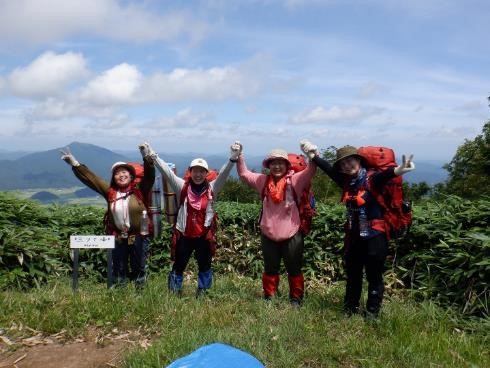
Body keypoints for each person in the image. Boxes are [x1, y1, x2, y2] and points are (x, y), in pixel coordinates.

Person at [300, 140, 415, 318]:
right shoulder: (347, 182)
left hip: (375, 237)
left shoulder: (371, 179)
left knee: (374, 276)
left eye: (350, 161)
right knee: (353, 274)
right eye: (343, 164)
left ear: (359, 160)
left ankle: (372, 313)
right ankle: (350, 309)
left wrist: (400, 170)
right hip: (354, 236)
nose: (347, 166)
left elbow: (386, 175)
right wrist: (313, 156)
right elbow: (329, 170)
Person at [140, 141, 240, 297]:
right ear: (190, 172)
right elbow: (167, 173)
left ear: (206, 173)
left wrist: (233, 158)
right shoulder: (182, 186)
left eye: (202, 171)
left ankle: (203, 293)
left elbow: (224, 174)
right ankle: (174, 292)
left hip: (204, 236)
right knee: (179, 265)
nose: (198, 175)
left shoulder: (212, 188)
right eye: (195, 171)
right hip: (184, 236)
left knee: (205, 265)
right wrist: (153, 155)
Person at [60, 145, 155, 289]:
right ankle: (119, 293)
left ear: (131, 176)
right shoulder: (110, 192)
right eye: (117, 173)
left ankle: (140, 294)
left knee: (139, 266)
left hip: (139, 237)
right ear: (114, 177)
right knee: (119, 267)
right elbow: (93, 180)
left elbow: (149, 176)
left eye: (124, 172)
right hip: (118, 236)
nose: (121, 175)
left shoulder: (140, 190)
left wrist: (146, 157)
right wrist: (75, 164)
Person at [235, 143, 317, 306]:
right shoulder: (262, 181)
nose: (277, 166)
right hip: (269, 234)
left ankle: (296, 298)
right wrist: (239, 155)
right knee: (270, 268)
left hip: (292, 234)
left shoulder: (295, 181)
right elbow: (244, 174)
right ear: (268, 165)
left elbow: (310, 171)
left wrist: (312, 155)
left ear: (287, 165)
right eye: (273, 163)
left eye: (281, 162)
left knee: (294, 269)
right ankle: (270, 296)